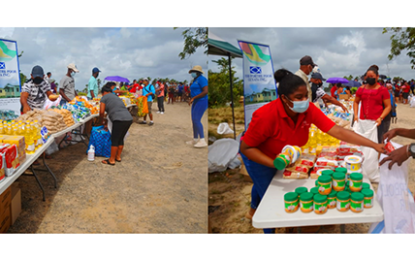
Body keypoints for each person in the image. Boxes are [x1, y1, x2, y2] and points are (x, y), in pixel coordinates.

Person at [240, 68, 385, 234]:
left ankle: (255, 208)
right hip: (258, 155)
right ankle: (269, 229)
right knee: (270, 200)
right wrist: (273, 163)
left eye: (306, 96)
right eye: (298, 97)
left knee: (269, 187)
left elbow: (337, 131)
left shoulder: (307, 109)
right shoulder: (266, 116)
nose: (304, 101)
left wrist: (373, 145)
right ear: (284, 99)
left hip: (283, 155)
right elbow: (247, 147)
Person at [353, 66, 392, 144]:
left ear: (377, 77)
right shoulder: (361, 89)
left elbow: (388, 106)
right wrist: (356, 115)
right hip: (363, 122)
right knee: (362, 142)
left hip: (377, 122)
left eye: (372, 76)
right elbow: (356, 102)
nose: (369, 78)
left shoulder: (383, 90)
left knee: (377, 143)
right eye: (368, 77)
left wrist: (381, 118)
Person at [98, 83, 133, 166]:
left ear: (103, 92)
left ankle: (112, 159)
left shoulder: (104, 98)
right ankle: (118, 157)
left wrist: (101, 120)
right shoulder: (116, 97)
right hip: (128, 118)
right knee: (121, 138)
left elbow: (102, 112)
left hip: (119, 119)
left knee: (115, 139)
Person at [187, 65, 208, 148]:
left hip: (202, 101)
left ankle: (202, 140)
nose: (192, 73)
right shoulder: (195, 80)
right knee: (193, 120)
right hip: (196, 101)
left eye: (193, 72)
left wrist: (194, 98)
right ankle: (195, 138)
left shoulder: (202, 79)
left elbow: (205, 91)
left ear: (198, 72)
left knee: (196, 119)